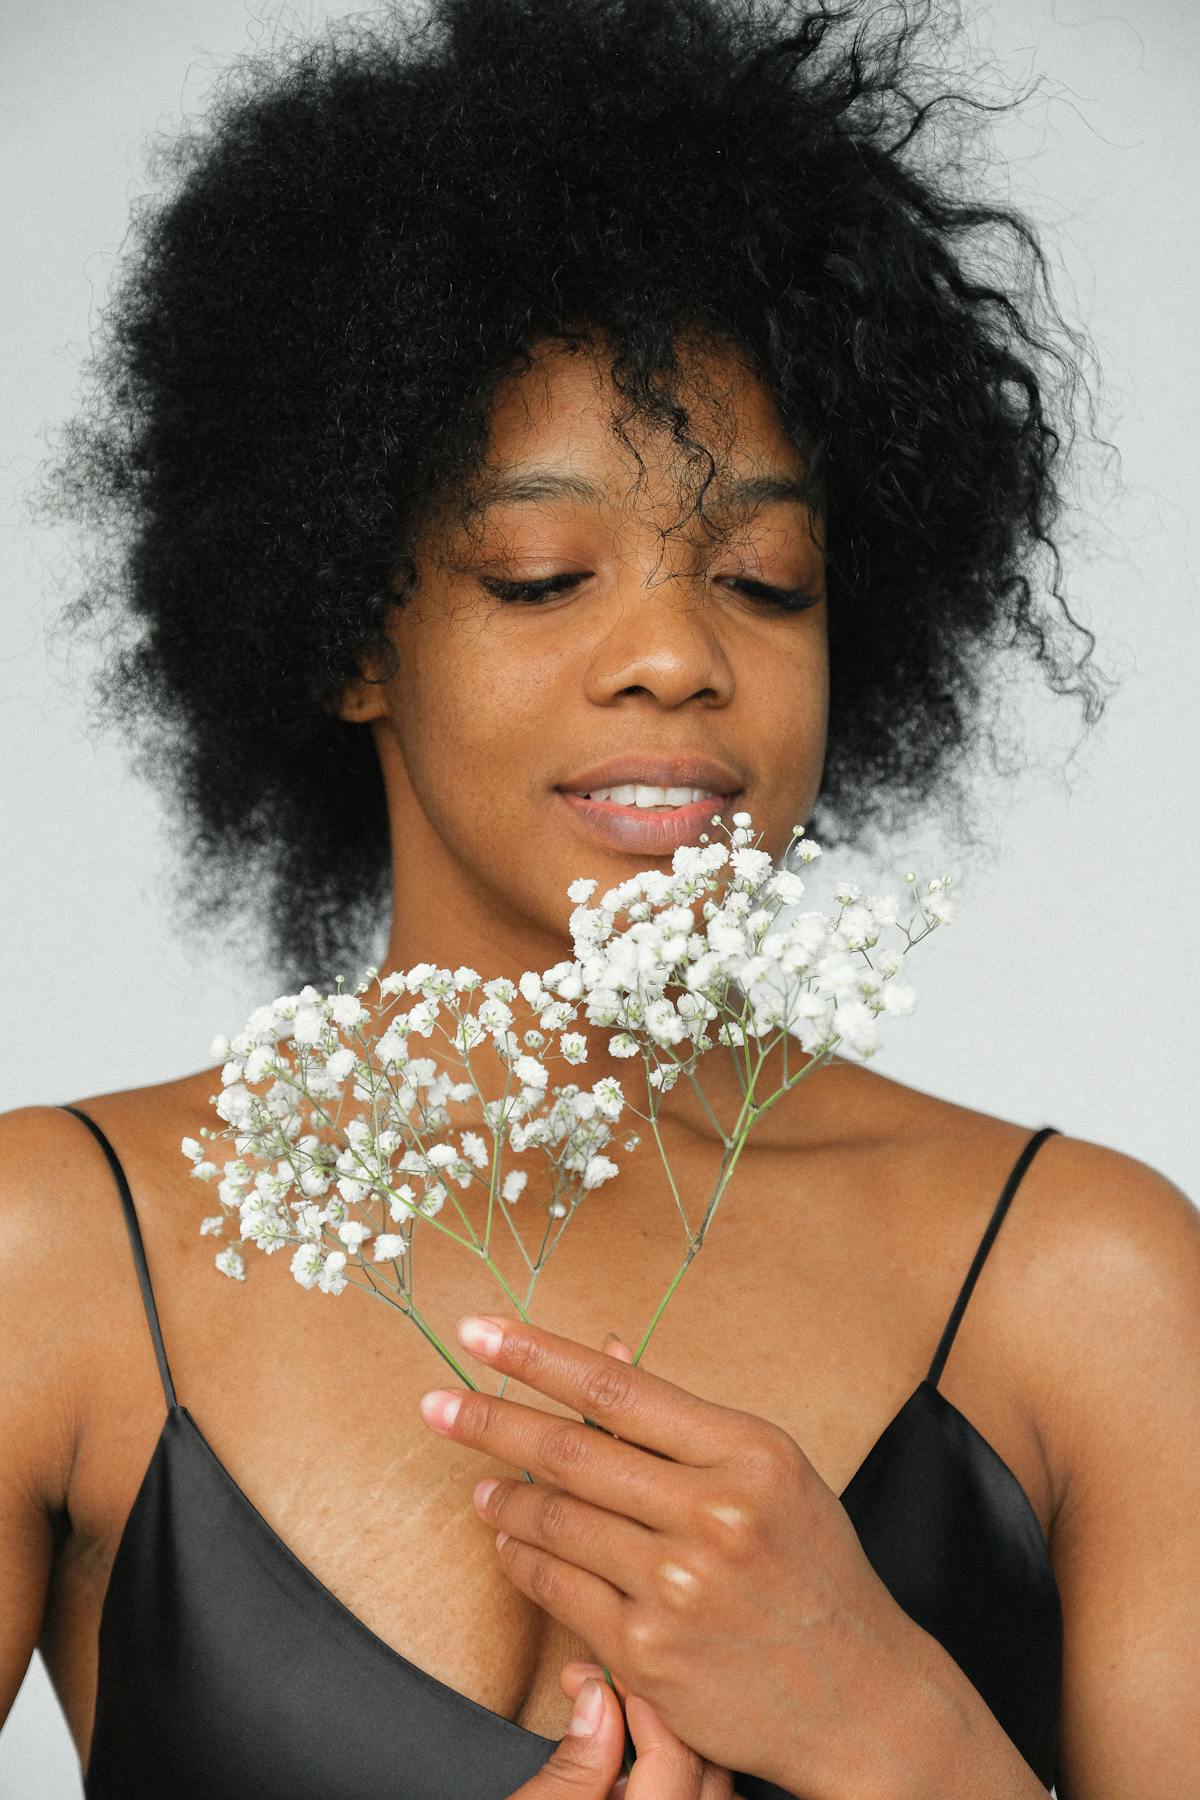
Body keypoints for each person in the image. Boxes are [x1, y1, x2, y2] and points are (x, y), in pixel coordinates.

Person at [3, 0, 1197, 1795]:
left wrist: (907, 1742)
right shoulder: (56, 1260)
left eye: (765, 579)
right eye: (543, 573)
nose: (674, 654)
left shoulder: (1087, 1287)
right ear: (345, 632)